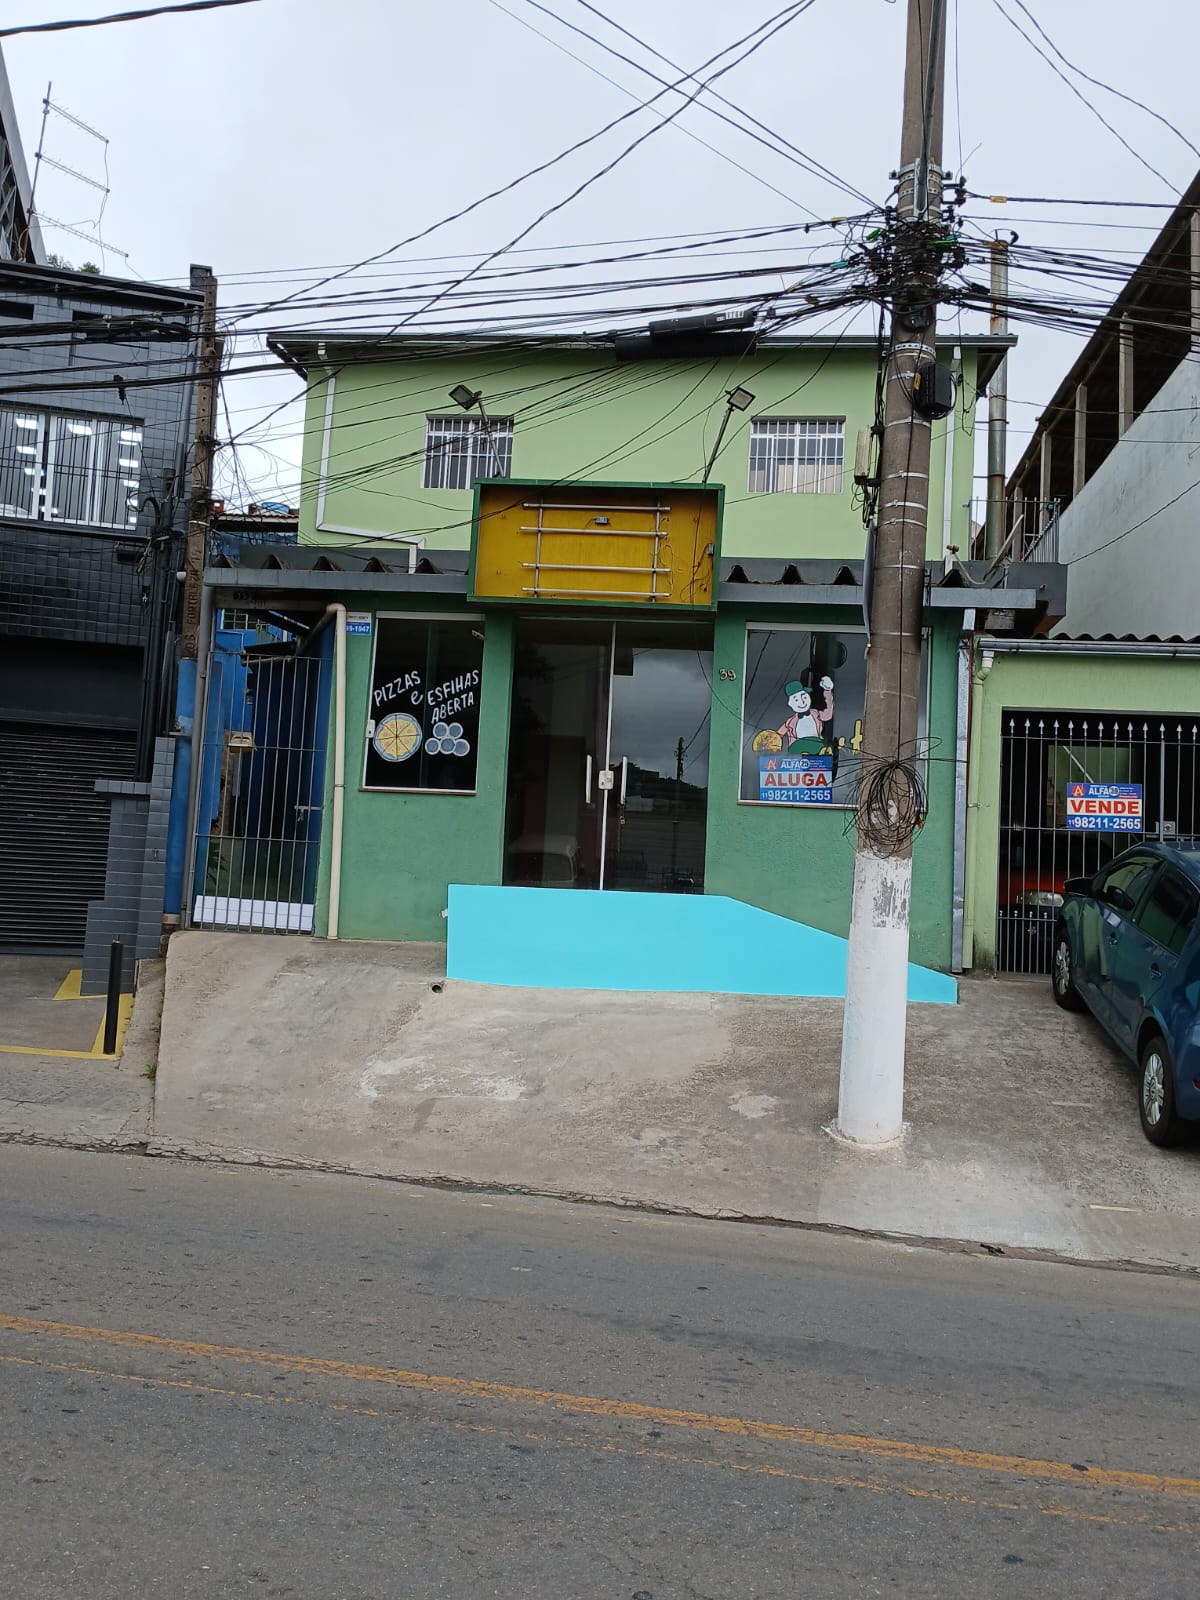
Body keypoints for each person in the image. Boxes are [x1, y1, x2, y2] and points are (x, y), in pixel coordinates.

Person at [777, 675, 835, 755]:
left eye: (804, 697)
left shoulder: (815, 713)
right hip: (797, 747)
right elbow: (778, 734)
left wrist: (827, 691)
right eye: (796, 700)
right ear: (790, 703)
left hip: (816, 744)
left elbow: (828, 715)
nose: (802, 702)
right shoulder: (790, 722)